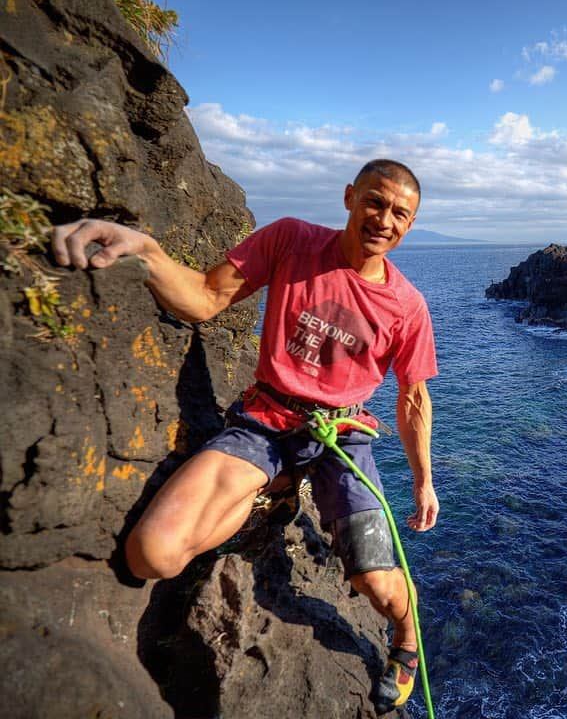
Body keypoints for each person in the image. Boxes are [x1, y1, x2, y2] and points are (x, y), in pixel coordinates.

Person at [51, 159, 439, 715]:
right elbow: (207, 297)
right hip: (267, 421)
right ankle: (275, 488)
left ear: (410, 224)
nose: (385, 219)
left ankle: (407, 638)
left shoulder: (407, 306)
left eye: (401, 213)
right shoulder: (292, 241)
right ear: (350, 196)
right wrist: (146, 251)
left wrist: (424, 484)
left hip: (341, 437)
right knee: (151, 555)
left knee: (377, 583)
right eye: (375, 202)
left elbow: (413, 399)